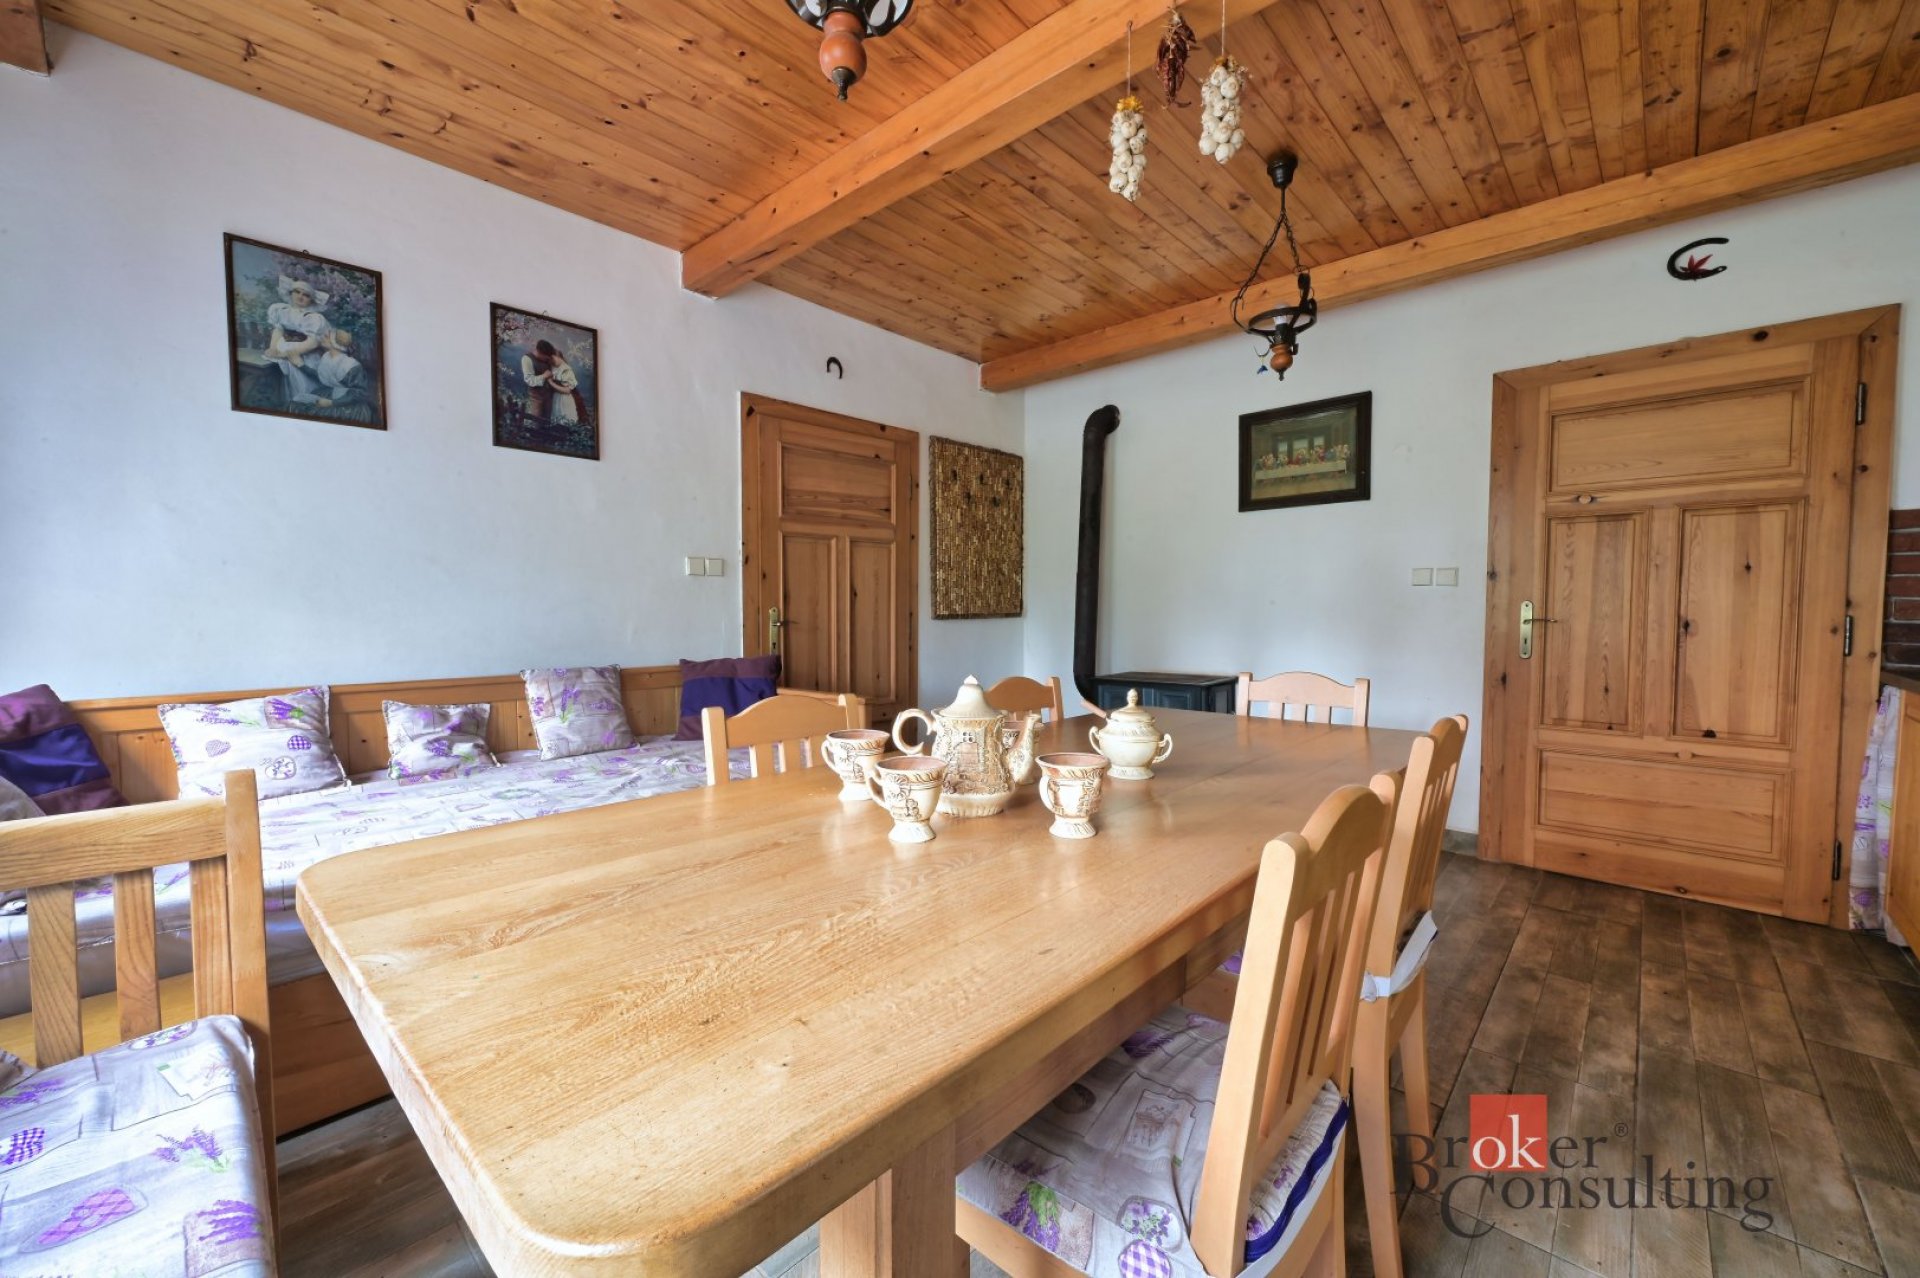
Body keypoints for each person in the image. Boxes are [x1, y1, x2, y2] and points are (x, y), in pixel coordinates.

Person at [291, 327, 376, 424]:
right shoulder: (326, 357)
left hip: (346, 403)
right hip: (328, 395)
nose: (323, 337)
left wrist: (331, 403)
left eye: (327, 336)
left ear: (334, 344)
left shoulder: (351, 365)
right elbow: (322, 377)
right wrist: (300, 364)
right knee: (296, 404)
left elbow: (359, 393)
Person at [521, 339, 586, 427]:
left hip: (551, 397)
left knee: (548, 423)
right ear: (540, 353)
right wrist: (544, 376)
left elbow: (560, 367)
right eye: (547, 357)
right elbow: (529, 380)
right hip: (537, 397)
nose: (548, 359)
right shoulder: (527, 359)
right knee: (535, 420)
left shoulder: (549, 359)